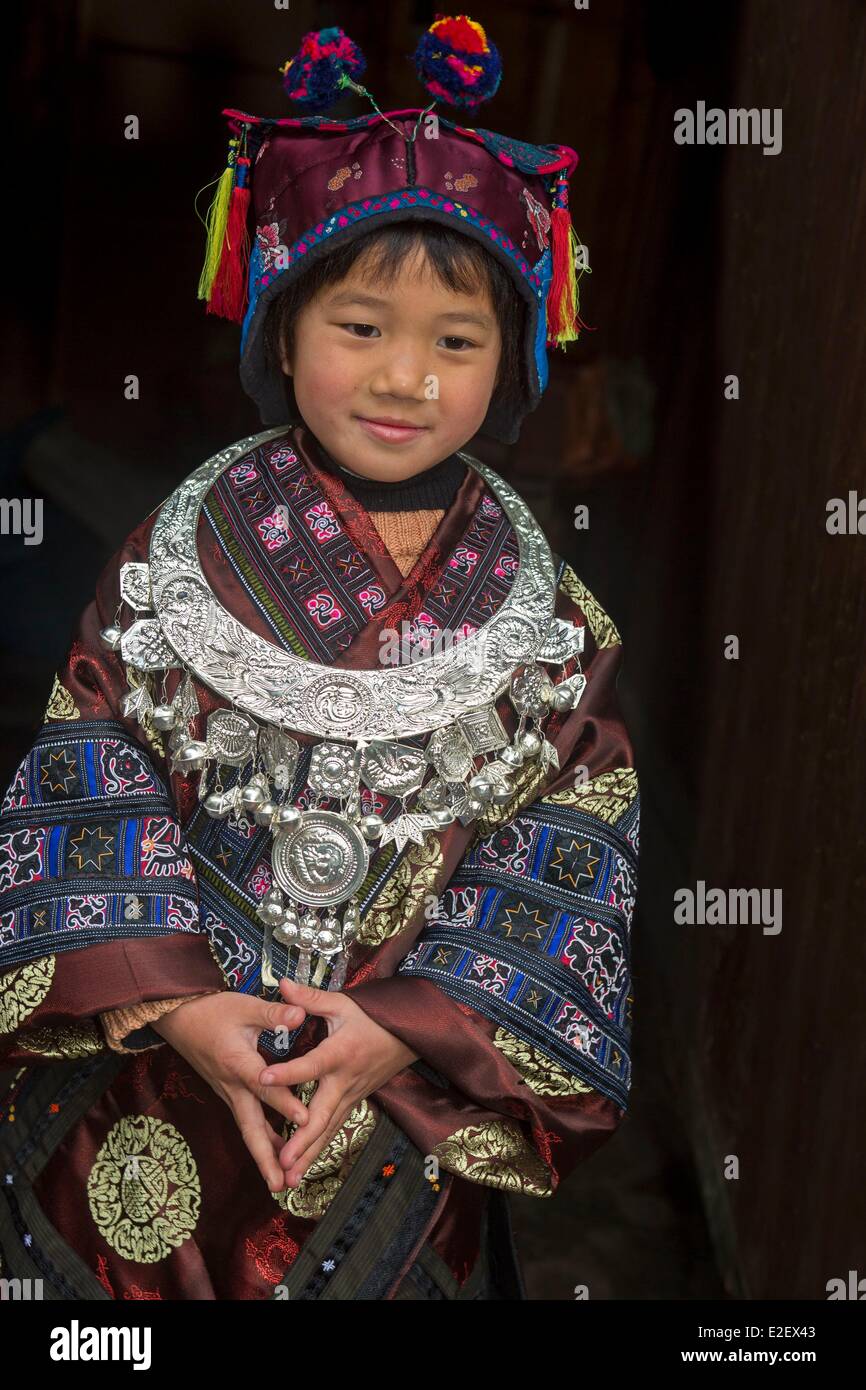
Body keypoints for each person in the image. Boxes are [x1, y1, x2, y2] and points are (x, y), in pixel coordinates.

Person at [0, 16, 639, 1300]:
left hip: (394, 1127)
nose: (403, 376)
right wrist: (176, 1004)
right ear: (283, 332)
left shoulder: (551, 620)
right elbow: (89, 772)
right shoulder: (175, 555)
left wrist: (399, 1033)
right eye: (359, 326)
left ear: (510, 363)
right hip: (155, 1088)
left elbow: (568, 852)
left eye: (456, 343)